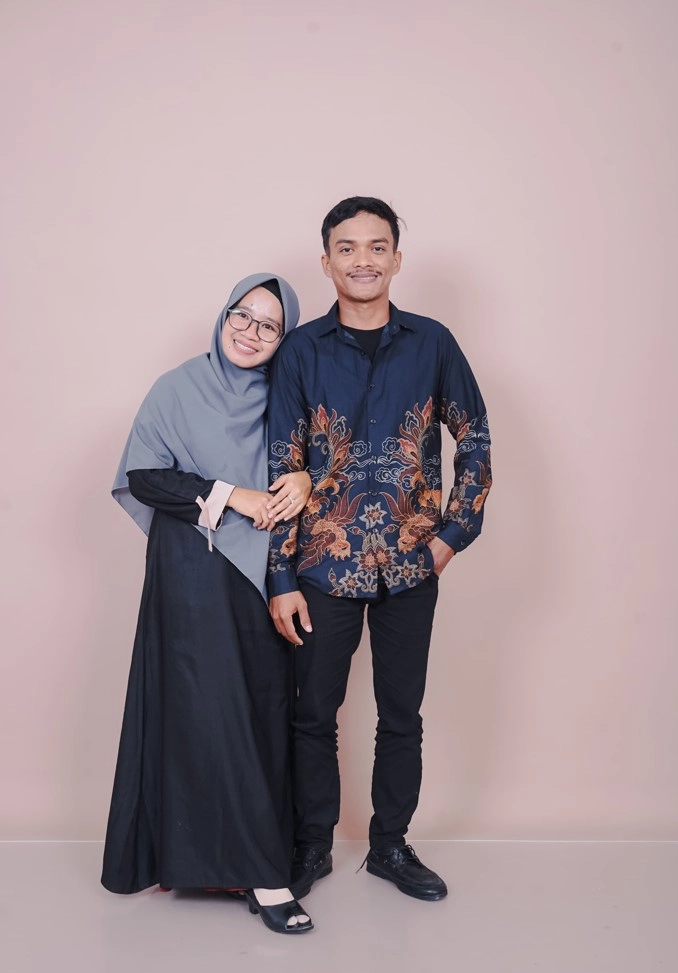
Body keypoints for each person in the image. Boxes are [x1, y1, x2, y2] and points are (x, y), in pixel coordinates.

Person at [267, 198, 492, 903]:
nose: (362, 259)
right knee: (313, 715)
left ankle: (390, 845)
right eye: (347, 247)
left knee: (402, 715)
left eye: (376, 246)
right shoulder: (300, 350)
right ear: (326, 261)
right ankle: (312, 843)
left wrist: (449, 540)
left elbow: (476, 441)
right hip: (321, 564)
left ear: (396, 258)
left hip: (411, 564)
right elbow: (281, 465)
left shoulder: (434, 343)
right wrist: (280, 576)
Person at [102, 273, 315, 935]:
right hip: (190, 566)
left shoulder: (289, 397)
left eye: (269, 325)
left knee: (260, 709)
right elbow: (145, 475)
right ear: (223, 316)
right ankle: (253, 874)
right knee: (201, 707)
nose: (251, 332)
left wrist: (307, 478)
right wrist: (232, 494)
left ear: (284, 338)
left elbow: (324, 460)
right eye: (242, 316)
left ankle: (253, 859)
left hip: (267, 571)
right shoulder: (177, 387)